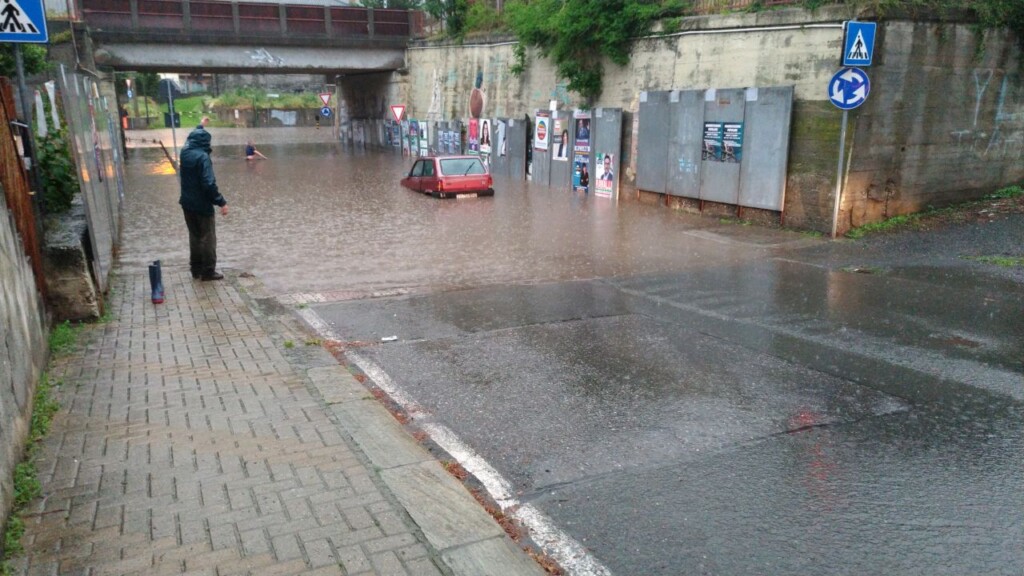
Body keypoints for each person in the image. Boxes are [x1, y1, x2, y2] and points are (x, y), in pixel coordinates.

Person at [179, 128, 228, 281]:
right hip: (202, 205)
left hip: (187, 203)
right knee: (208, 238)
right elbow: (208, 183)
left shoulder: (184, 153)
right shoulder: (203, 157)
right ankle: (208, 271)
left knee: (194, 237)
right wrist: (221, 201)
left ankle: (196, 269)